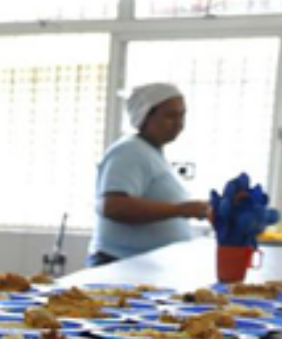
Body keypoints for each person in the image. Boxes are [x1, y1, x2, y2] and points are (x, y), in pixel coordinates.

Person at [89, 83, 210, 266]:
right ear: (145, 116)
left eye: (182, 115)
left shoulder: (151, 153)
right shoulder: (129, 151)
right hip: (121, 265)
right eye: (170, 116)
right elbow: (115, 207)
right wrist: (181, 210)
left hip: (141, 267)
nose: (179, 124)